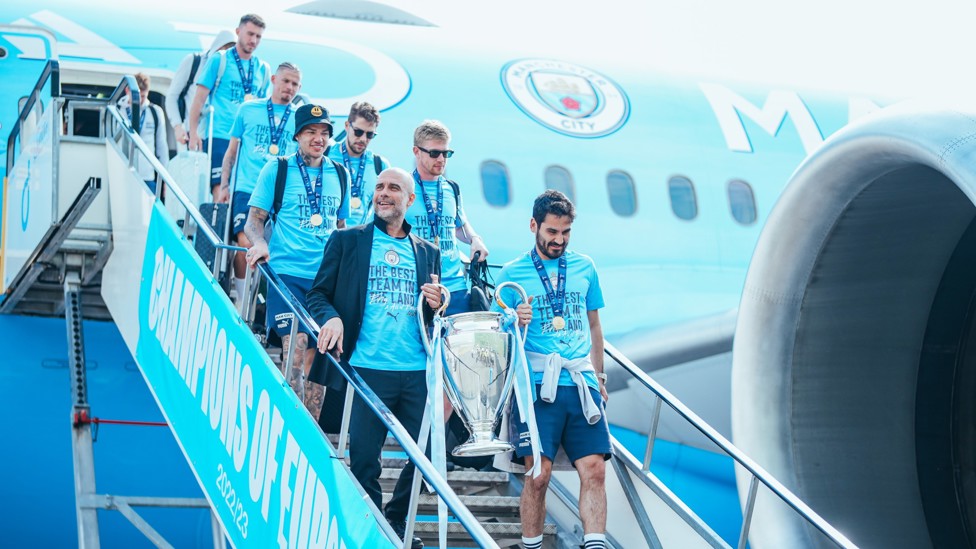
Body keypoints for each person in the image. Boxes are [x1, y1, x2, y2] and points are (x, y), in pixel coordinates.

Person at [307, 167, 442, 549]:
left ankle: (396, 520)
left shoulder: (428, 252)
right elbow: (317, 294)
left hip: (416, 371)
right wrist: (330, 317)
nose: (383, 193)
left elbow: (431, 315)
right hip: (367, 370)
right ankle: (375, 531)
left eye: (394, 188)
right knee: (365, 458)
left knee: (426, 458)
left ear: (409, 200)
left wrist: (439, 303)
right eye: (379, 187)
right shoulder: (347, 241)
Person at [494, 189, 610, 549]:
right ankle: (531, 545)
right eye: (552, 232)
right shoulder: (512, 273)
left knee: (595, 469)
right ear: (534, 226)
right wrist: (515, 318)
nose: (558, 240)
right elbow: (499, 333)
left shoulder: (585, 267)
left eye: (565, 233)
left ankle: (594, 543)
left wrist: (599, 375)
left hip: (580, 382)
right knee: (538, 474)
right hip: (537, 384)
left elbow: (594, 326)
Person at [243, 103, 350, 416]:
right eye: (310, 132)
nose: (318, 139)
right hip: (287, 274)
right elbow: (253, 220)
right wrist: (260, 243)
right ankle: (293, 419)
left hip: (326, 280)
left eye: (324, 133)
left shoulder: (339, 173)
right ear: (298, 136)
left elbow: (341, 229)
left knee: (322, 353)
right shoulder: (277, 169)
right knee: (295, 347)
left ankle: (311, 429)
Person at [220, 62, 302, 302]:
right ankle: (243, 302)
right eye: (286, 81)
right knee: (246, 240)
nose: (289, 87)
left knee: (271, 250)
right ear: (274, 79)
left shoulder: (300, 118)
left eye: (295, 84)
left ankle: (257, 299)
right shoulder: (247, 109)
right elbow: (232, 151)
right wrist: (224, 185)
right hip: (248, 187)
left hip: (280, 193)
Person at [406, 120, 488, 315]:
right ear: (416, 152)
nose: (441, 159)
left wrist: (475, 239)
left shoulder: (451, 188)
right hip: (418, 285)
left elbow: (458, 226)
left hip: (455, 285)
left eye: (446, 153)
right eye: (434, 153)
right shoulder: (404, 187)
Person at [186, 14, 272, 196]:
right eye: (250, 34)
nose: (253, 40)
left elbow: (262, 109)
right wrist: (193, 132)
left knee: (239, 190)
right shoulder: (220, 59)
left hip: (246, 141)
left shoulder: (263, 69)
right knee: (220, 189)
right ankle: (217, 223)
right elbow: (199, 99)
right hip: (220, 133)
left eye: (258, 36)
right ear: (238, 31)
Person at [164, 30, 236, 148]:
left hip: (216, 138)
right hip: (190, 136)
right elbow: (172, 96)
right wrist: (177, 126)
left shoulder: (231, 71)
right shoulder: (194, 62)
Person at [327, 101, 389, 225]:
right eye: (358, 132)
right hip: (329, 238)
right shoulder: (326, 155)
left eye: (370, 134)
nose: (363, 139)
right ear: (346, 126)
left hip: (362, 239)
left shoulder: (380, 165)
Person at [125, 73, 168, 191]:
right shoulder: (118, 109)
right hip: (123, 172)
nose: (139, 100)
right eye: (137, 96)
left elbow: (162, 147)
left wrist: (165, 179)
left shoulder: (155, 112)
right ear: (127, 90)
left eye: (143, 96)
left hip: (147, 175)